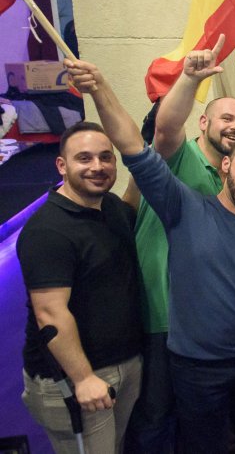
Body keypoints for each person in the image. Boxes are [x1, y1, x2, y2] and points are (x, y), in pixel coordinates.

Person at [67, 58, 235, 454]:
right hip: (195, 368)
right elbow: (133, 146)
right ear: (226, 166)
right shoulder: (184, 207)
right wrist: (100, 86)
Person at [123, 37, 235, 454]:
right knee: (156, 415)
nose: (234, 127)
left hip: (203, 322)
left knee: (198, 421)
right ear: (204, 124)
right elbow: (165, 128)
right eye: (226, 118)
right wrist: (189, 80)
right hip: (164, 314)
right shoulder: (181, 158)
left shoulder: (233, 182)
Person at [18, 122, 143, 454]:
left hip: (124, 365)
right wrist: (83, 377)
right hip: (79, 379)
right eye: (84, 158)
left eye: (105, 157)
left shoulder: (111, 207)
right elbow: (50, 312)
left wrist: (148, 163)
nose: (97, 167)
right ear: (62, 165)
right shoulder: (48, 230)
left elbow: (131, 206)